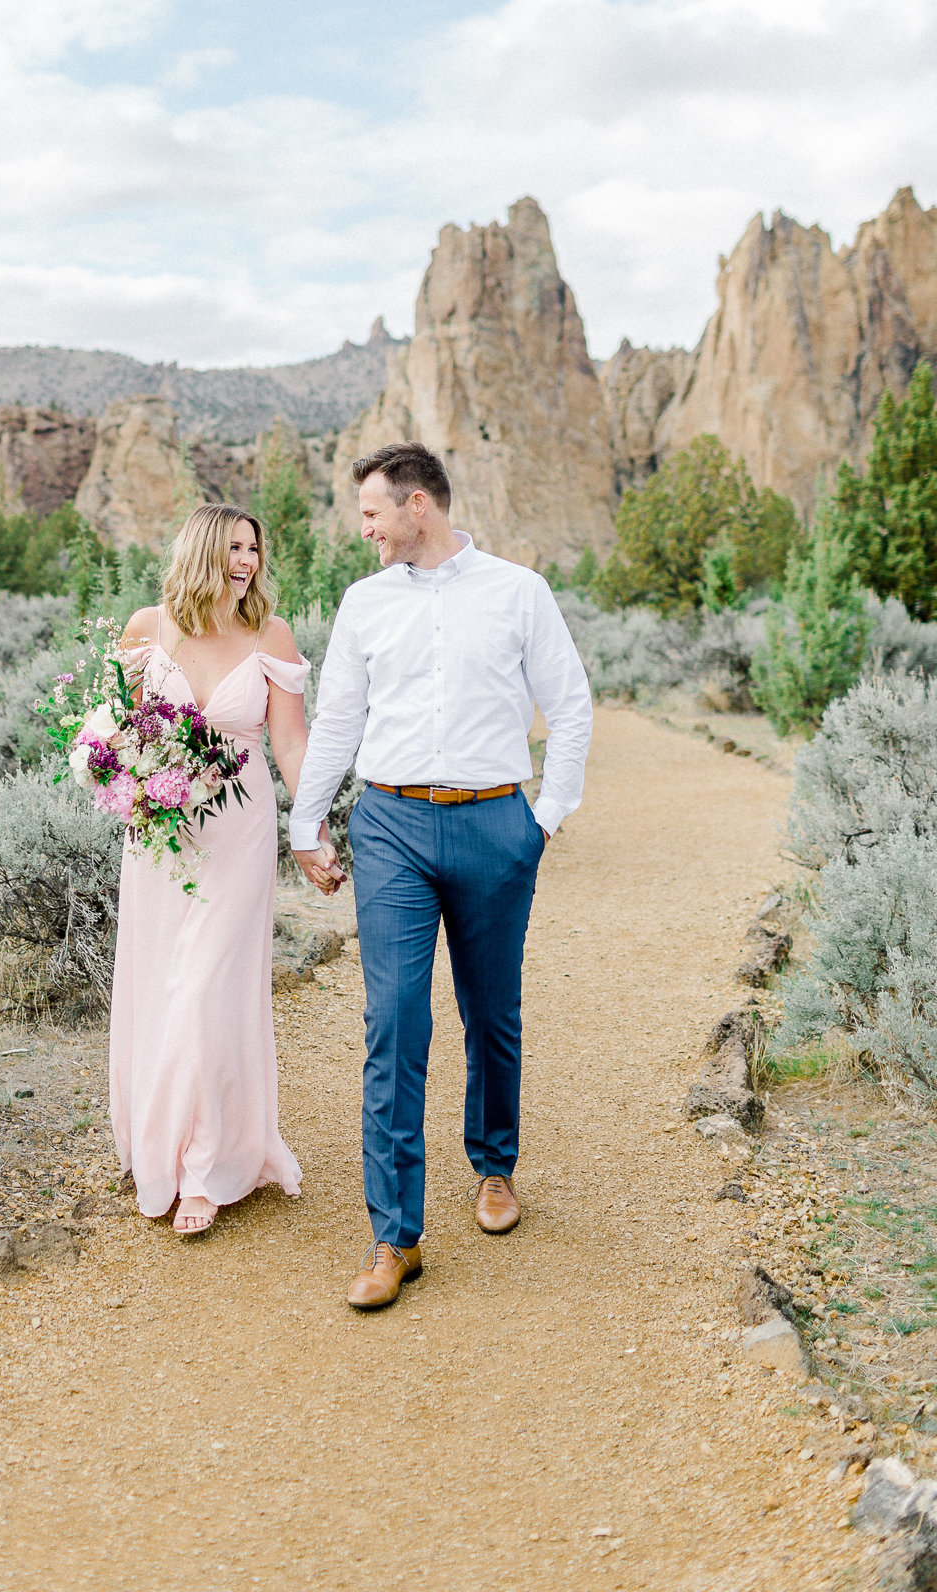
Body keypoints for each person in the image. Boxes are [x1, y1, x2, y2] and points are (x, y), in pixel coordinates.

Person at [288, 442, 593, 1308]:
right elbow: (339, 717)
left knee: (490, 1009)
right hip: (390, 825)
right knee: (392, 1019)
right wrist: (304, 820)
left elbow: (569, 707)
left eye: (372, 514)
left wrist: (541, 820)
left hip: (496, 820)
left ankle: (495, 1169)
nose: (365, 531)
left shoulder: (516, 591)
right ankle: (393, 1236)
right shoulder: (364, 603)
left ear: (418, 504)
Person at [110, 502, 336, 1236]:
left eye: (255, 549)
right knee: (163, 982)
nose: (247, 560)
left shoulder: (270, 635)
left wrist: (313, 825)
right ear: (204, 552)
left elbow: (290, 744)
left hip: (237, 834)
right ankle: (158, 1143)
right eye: (235, 547)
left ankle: (205, 1167)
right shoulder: (148, 627)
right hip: (160, 836)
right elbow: (115, 727)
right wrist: (121, 776)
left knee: (205, 986)